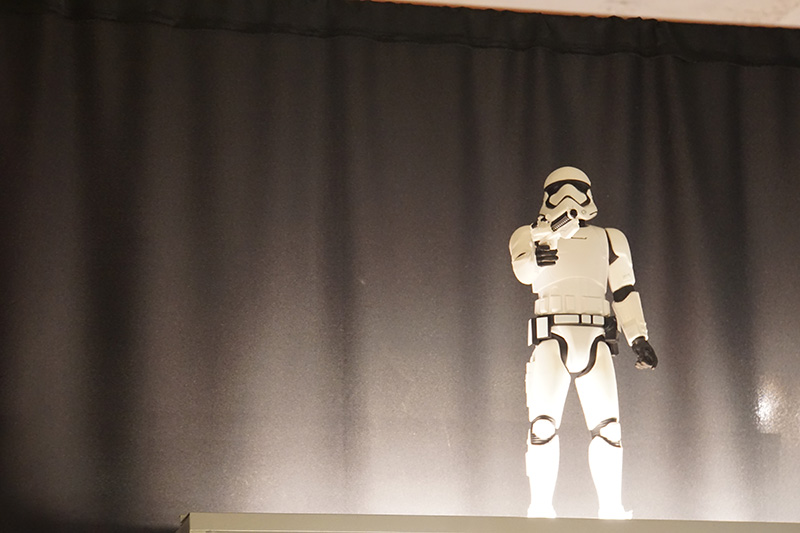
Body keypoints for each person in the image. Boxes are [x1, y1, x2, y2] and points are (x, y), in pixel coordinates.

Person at [508, 166, 658, 519]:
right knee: (542, 427)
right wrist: (539, 251)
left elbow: (623, 290)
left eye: (576, 188)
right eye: (561, 189)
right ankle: (540, 509)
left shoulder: (609, 239)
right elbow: (524, 271)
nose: (569, 196)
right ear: (547, 195)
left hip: (595, 338)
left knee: (609, 429)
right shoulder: (529, 235)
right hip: (552, 335)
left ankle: (611, 509)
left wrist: (638, 336)